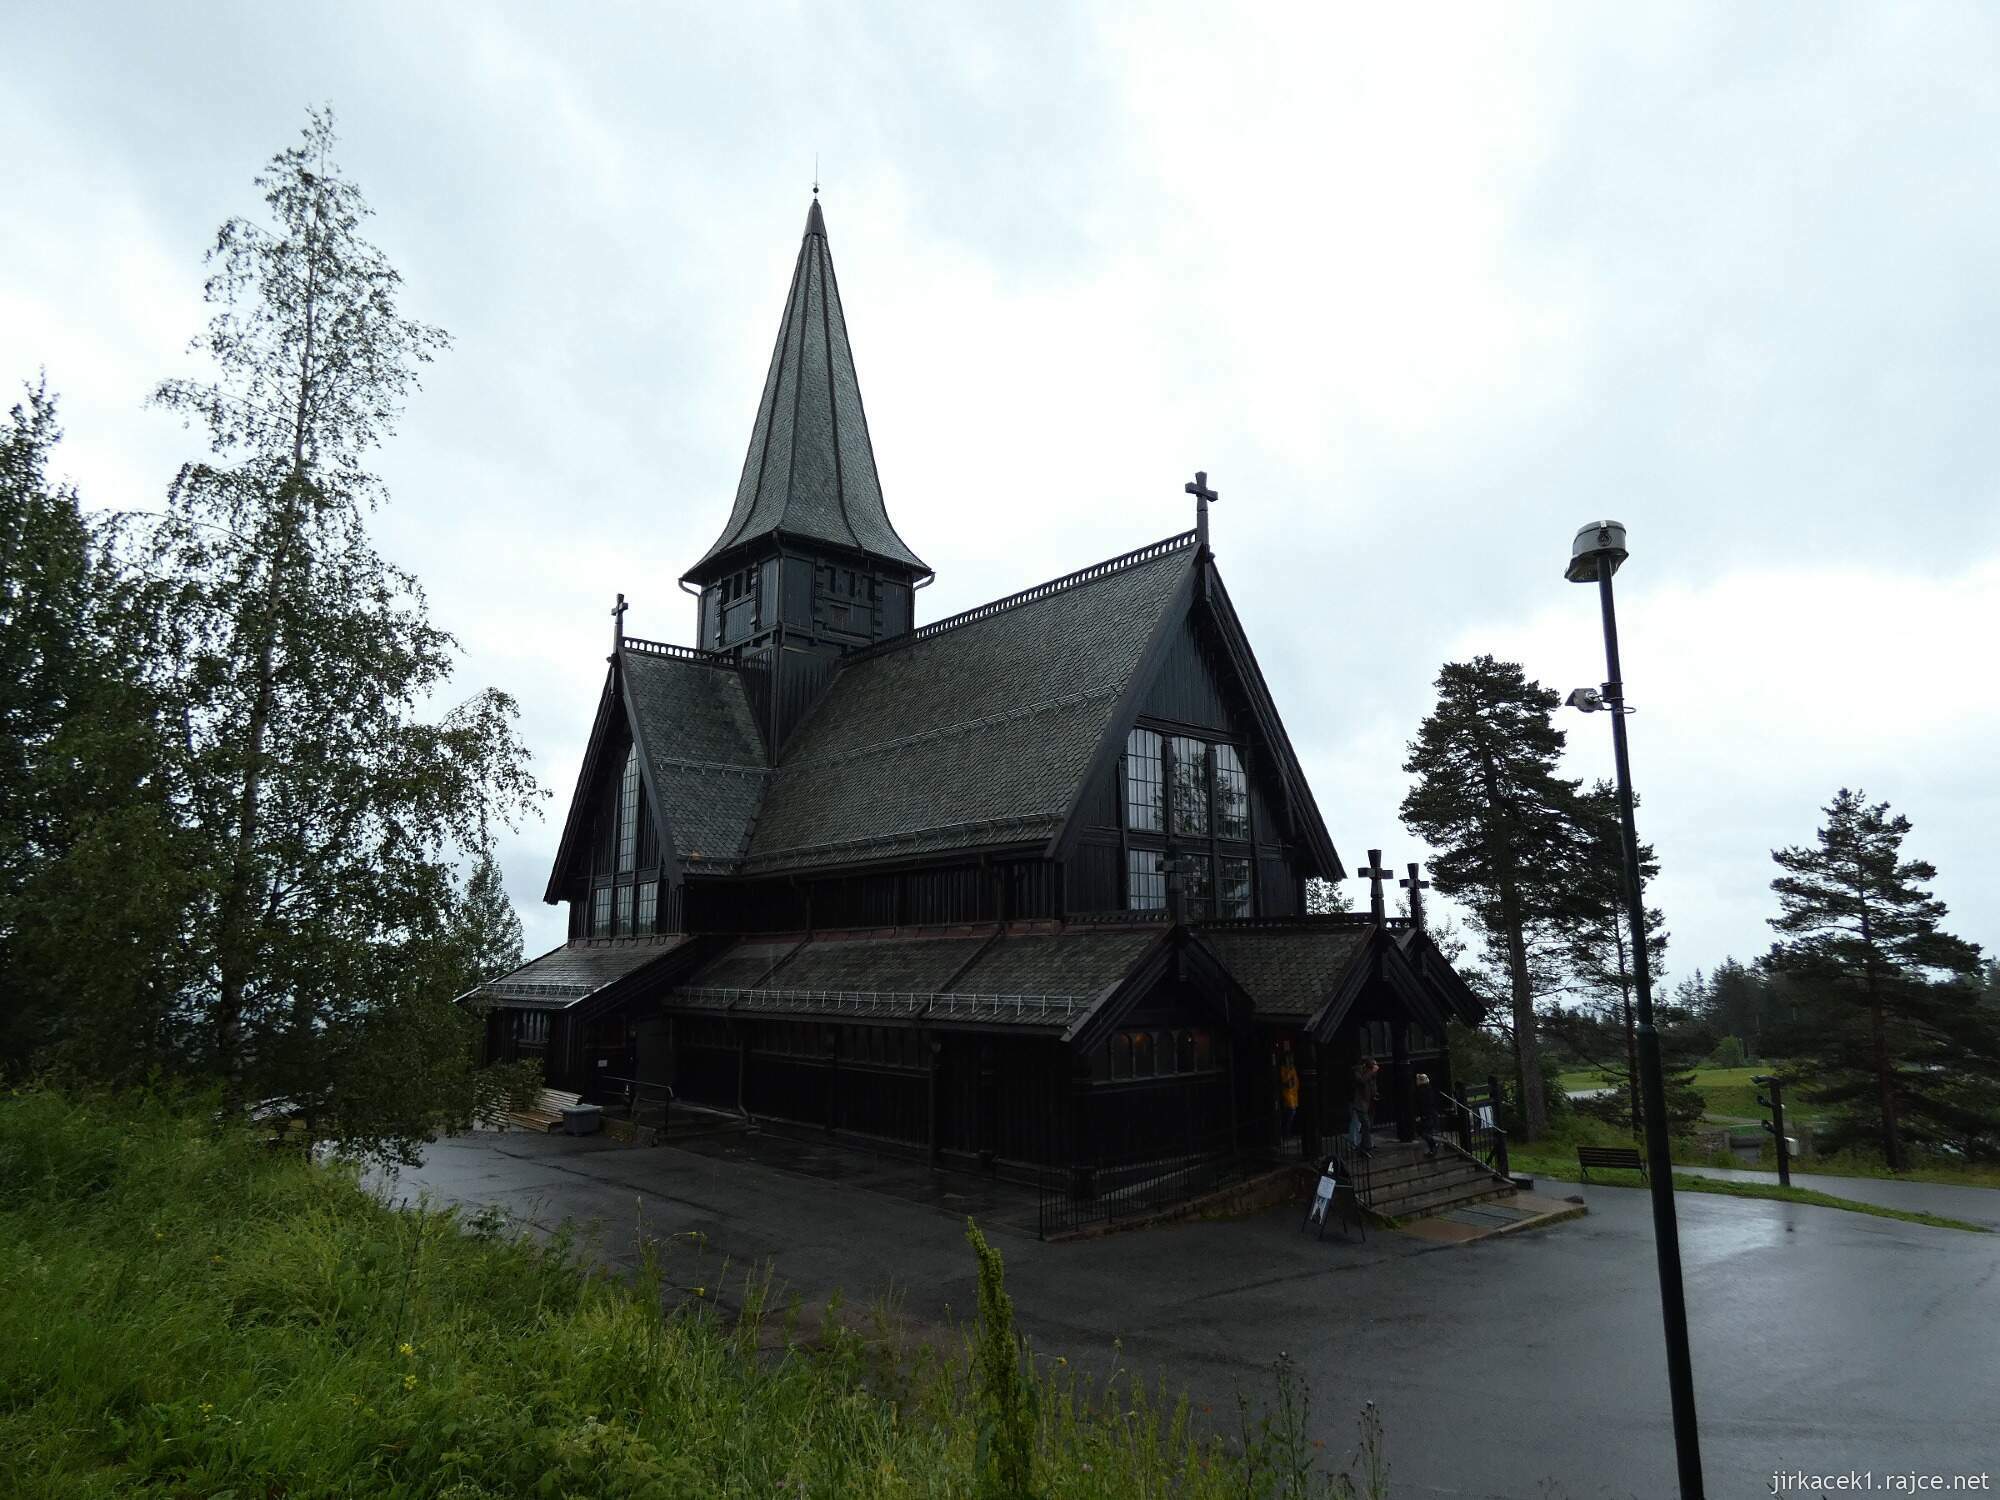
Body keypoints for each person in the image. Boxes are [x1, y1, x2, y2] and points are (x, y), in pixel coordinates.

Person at [1348, 1057, 1380, 1156]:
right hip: (1359, 1103)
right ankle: (1358, 1145)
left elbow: (1372, 1085)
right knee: (1358, 1124)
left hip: (1368, 1103)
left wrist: (1375, 1094)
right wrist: (1371, 1072)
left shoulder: (1370, 1074)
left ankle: (1364, 1145)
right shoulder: (1358, 1072)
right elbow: (1361, 1081)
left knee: (1367, 1125)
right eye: (1373, 1066)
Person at [1277, 1041, 1301, 1140]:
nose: (1290, 1060)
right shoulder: (1284, 1069)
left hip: (1294, 1096)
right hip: (1287, 1096)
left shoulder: (1293, 1068)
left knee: (1291, 1115)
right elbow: (1285, 1081)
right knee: (1288, 1116)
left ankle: (1288, 1133)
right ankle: (1285, 1134)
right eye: (1288, 1058)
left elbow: (1296, 1082)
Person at [1415, 1072, 1438, 1158]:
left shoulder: (1422, 1091)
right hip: (1430, 1114)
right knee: (1425, 1132)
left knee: (1423, 1132)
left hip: (1426, 1115)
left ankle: (1433, 1145)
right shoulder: (1428, 1089)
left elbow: (1422, 1104)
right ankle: (1432, 1147)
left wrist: (1420, 1115)